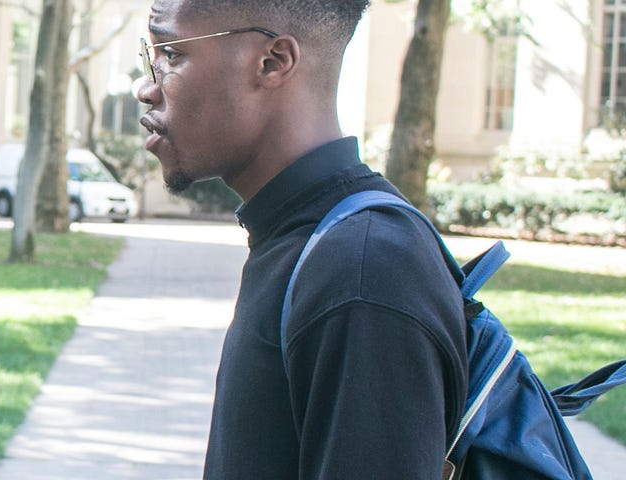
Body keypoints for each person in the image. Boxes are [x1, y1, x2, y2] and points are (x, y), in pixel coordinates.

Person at [133, 0, 468, 478]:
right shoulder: (303, 236)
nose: (146, 87)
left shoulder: (361, 270)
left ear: (272, 62)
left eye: (171, 55)